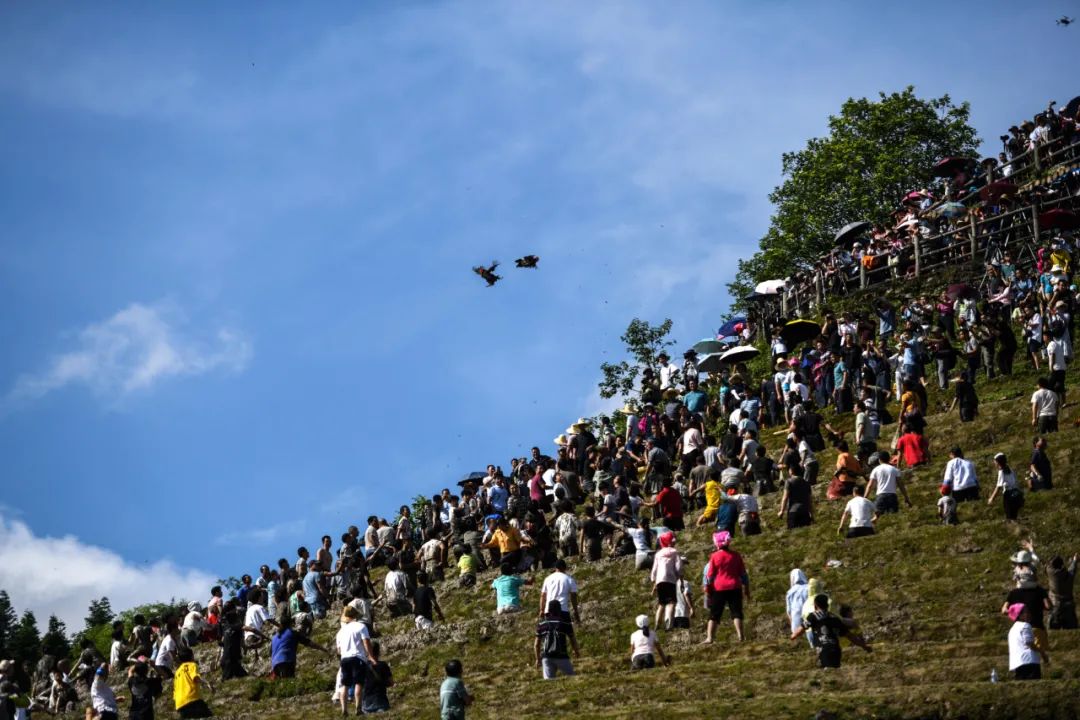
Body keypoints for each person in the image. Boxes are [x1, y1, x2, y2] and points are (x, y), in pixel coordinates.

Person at [791, 594, 871, 668]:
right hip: (836, 650)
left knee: (826, 673)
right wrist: (864, 646)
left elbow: (801, 629)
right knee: (834, 672)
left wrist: (793, 636)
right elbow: (850, 636)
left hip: (823, 650)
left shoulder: (813, 616)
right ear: (827, 605)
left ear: (815, 606)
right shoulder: (835, 618)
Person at [703, 531, 749, 643]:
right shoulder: (736, 555)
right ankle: (741, 636)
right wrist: (746, 588)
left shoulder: (714, 556)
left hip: (719, 588)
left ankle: (710, 638)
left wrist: (708, 589)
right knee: (736, 612)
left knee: (714, 614)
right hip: (735, 586)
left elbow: (710, 576)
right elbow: (743, 574)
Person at [335, 606, 374, 717]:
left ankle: (344, 710)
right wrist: (370, 656)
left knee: (345, 684)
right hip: (358, 657)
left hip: (344, 659)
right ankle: (358, 708)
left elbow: (339, 651)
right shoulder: (361, 626)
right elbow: (366, 642)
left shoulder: (340, 632)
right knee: (358, 683)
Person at [269, 615, 328, 679]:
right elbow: (308, 643)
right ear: (291, 623)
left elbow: (270, 653)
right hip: (286, 661)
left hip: (275, 665)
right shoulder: (292, 633)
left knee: (285, 681)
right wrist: (322, 648)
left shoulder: (274, 637)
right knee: (290, 681)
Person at [534, 599, 580, 679]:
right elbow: (572, 639)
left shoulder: (542, 624)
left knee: (549, 682)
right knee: (572, 678)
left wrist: (538, 659)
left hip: (547, 657)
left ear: (549, 610)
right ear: (559, 610)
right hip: (562, 656)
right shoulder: (565, 623)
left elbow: (536, 644)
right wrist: (576, 651)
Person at [1006, 603, 1048, 680]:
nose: (1029, 614)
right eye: (1026, 612)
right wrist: (1043, 653)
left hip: (1017, 662)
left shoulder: (1012, 630)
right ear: (1019, 615)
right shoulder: (1025, 625)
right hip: (1029, 661)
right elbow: (1029, 643)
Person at [650, 533, 683, 631]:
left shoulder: (658, 554)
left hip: (660, 580)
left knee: (661, 604)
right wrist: (680, 577)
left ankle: (657, 624)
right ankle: (669, 625)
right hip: (670, 579)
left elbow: (654, 569)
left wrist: (653, 581)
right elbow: (679, 567)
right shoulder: (674, 552)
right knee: (672, 603)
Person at [172, 647, 212, 719]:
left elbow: (175, 691)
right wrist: (207, 683)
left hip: (179, 703)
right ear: (192, 656)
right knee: (208, 715)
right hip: (192, 698)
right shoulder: (192, 665)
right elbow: (195, 678)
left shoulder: (177, 672)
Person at [539, 559, 580, 624]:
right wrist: (575, 610)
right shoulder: (569, 579)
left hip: (549, 610)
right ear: (565, 568)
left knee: (550, 629)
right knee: (564, 629)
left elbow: (543, 595)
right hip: (563, 610)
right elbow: (573, 596)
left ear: (555, 567)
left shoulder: (547, 579)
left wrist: (541, 610)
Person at [986, 452, 1024, 521]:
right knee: (1014, 515)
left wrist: (992, 498)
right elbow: (1016, 483)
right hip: (1016, 494)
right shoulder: (1011, 470)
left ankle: (1012, 526)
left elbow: (998, 487)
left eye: (995, 461)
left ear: (998, 462)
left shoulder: (1001, 472)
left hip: (1008, 495)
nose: (994, 462)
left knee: (1009, 516)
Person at [361, 641, 393, 714]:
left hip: (366, 703)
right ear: (378, 652)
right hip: (381, 701)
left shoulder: (363, 666)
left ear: (367, 651)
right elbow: (391, 683)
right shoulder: (383, 665)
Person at [1047, 554, 1078, 630]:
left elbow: (1045, 565)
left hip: (1055, 605)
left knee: (1053, 628)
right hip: (1068, 604)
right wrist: (1074, 560)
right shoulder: (1069, 576)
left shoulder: (1050, 572)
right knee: (1071, 628)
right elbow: (1072, 569)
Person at [785, 569, 809, 638]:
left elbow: (789, 611)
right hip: (810, 620)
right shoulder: (809, 587)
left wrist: (793, 627)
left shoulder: (790, 592)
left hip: (797, 622)